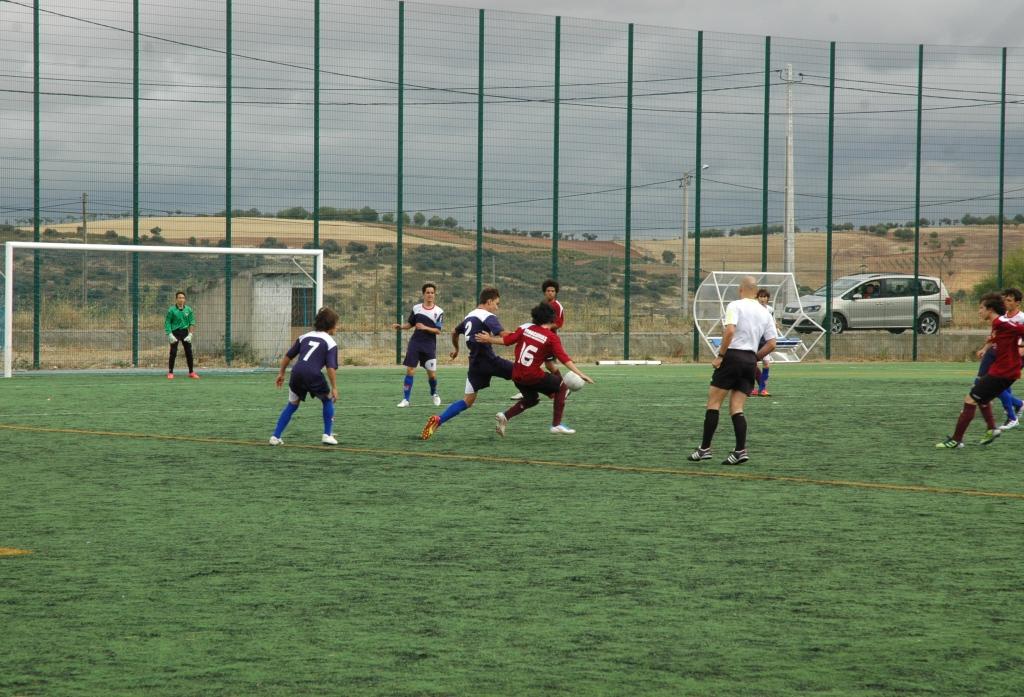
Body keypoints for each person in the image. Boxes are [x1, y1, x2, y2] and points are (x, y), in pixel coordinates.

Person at [688, 275, 777, 465]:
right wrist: (754, 358)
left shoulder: (735, 305)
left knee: (713, 403)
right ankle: (740, 451)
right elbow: (772, 344)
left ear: (741, 289)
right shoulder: (765, 312)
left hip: (732, 357)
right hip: (750, 361)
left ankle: (704, 449)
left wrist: (721, 355)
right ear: (756, 292)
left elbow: (729, 331)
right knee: (737, 408)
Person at [477, 302, 593, 436]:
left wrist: (489, 339)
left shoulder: (526, 328)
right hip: (532, 375)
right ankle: (556, 425)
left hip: (516, 375)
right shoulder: (551, 337)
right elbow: (563, 358)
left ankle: (505, 416)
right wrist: (580, 374)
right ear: (552, 319)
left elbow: (507, 341)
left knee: (532, 399)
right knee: (562, 387)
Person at [421, 288, 513, 440]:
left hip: (475, 364)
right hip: (489, 360)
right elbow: (503, 335)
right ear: (489, 302)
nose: (497, 308)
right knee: (521, 372)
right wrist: (526, 334)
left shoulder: (469, 316)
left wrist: (456, 349)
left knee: (468, 400)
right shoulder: (487, 316)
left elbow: (454, 332)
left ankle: (439, 420)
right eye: (496, 304)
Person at [937, 292, 1024, 449]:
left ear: (990, 309)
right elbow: (1000, 336)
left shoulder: (1001, 322)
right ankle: (992, 429)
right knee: (982, 399)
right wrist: (986, 347)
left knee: (970, 399)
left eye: (981, 308)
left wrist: (1021, 348)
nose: (979, 311)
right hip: (1004, 371)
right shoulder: (999, 324)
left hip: (1003, 372)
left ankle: (956, 440)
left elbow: (1019, 329)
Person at [269, 306, 340, 446]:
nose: (337, 327)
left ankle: (275, 437)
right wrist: (334, 388)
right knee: (327, 400)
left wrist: (281, 373)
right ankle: (327, 434)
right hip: (312, 374)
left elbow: (288, 356)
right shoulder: (331, 343)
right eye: (336, 324)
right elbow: (330, 367)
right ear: (330, 326)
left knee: (292, 404)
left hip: (296, 373)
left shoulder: (304, 337)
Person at [511, 279, 566, 400]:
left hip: (547, 341)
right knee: (532, 365)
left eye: (553, 291)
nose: (550, 292)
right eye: (548, 290)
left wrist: (547, 327)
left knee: (549, 365)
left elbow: (559, 323)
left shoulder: (558, 306)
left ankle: (562, 388)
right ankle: (526, 390)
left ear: (556, 292)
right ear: (544, 292)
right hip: (538, 339)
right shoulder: (544, 305)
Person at [392, 282, 444, 408]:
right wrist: (401, 327)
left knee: (431, 374)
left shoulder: (439, 311)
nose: (430, 295)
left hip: (429, 345)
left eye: (432, 293)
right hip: (415, 342)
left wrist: (425, 327)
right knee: (410, 370)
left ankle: (434, 393)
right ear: (423, 294)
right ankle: (406, 400)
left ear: (434, 294)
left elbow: (438, 331)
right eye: (428, 292)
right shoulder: (416, 308)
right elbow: (410, 324)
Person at [165, 291, 198, 379]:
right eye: (179, 298)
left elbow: (192, 322)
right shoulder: (171, 310)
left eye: (183, 298)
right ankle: (170, 372)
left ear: (185, 299)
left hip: (185, 332)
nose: (181, 299)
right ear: (176, 299)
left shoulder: (188, 310)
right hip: (175, 332)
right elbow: (167, 322)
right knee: (173, 352)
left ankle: (191, 372)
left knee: (189, 353)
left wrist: (190, 334)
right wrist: (170, 334)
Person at [751, 288, 774, 396]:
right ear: (757, 298)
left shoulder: (770, 310)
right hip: (755, 339)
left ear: (768, 299)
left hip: (765, 341)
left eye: (765, 297)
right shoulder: (753, 309)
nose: (763, 299)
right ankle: (750, 388)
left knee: (766, 364)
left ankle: (762, 389)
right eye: (761, 296)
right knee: (752, 363)